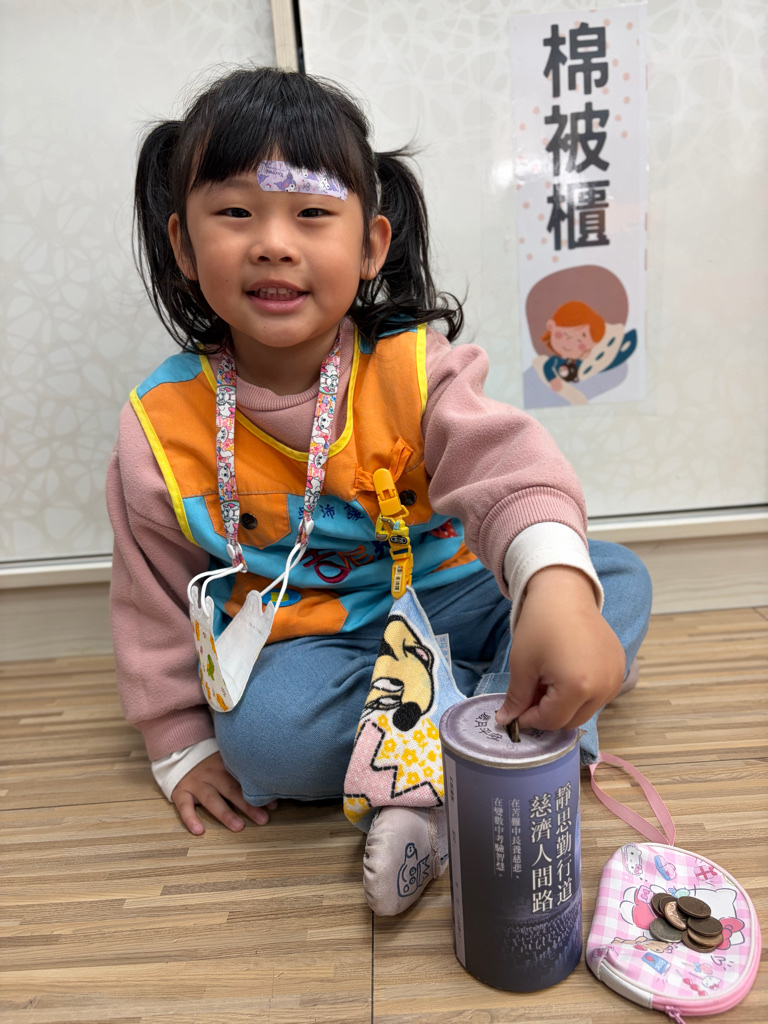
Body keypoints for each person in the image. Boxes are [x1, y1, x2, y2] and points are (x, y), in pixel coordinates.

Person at [107, 66, 652, 916]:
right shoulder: (159, 423)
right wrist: (178, 741)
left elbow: (509, 468)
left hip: (456, 592)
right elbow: (151, 592)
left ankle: (437, 775)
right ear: (182, 245)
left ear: (370, 247)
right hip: (318, 642)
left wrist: (551, 588)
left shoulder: (416, 367)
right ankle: (508, 740)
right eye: (236, 213)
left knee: (612, 579)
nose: (273, 243)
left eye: (312, 214)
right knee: (263, 741)